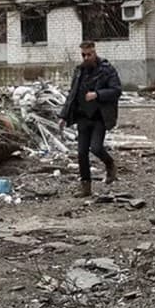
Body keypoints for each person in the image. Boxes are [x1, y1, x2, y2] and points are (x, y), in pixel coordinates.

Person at [58, 40, 122, 197]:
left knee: (96, 148)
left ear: (95, 52)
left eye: (89, 54)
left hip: (100, 116)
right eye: (84, 55)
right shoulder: (79, 71)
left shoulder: (107, 70)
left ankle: (110, 164)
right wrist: (63, 116)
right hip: (82, 117)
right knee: (81, 153)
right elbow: (72, 94)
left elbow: (116, 90)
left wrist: (97, 94)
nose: (86, 58)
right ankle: (85, 187)